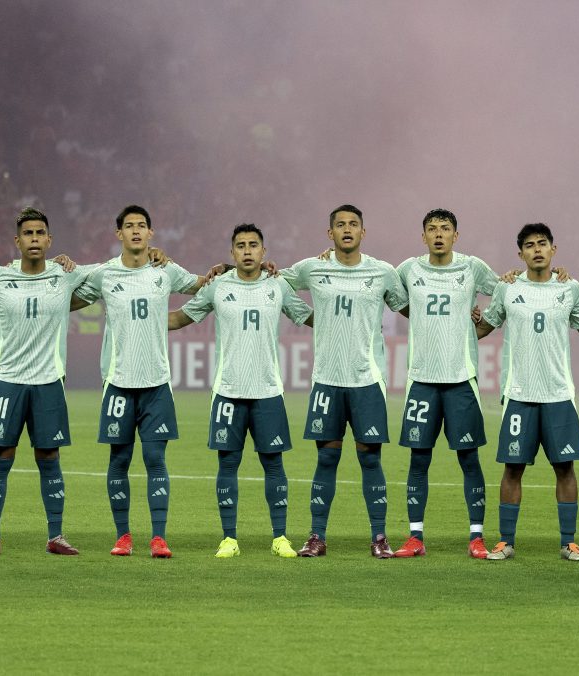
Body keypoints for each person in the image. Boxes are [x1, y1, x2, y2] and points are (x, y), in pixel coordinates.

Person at [73, 204, 216, 558]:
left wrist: (223, 271)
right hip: (118, 382)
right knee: (119, 460)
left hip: (156, 383)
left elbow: (201, 283)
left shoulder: (164, 270)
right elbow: (68, 294)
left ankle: (158, 537)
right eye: (129, 226)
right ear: (118, 234)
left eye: (142, 226)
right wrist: (59, 271)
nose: (136, 231)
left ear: (151, 233)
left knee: (155, 459)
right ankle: (123, 536)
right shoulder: (104, 274)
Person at [169, 223, 312, 558]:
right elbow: (180, 318)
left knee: (274, 464)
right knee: (227, 464)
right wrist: (138, 320)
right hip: (228, 391)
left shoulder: (277, 285)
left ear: (264, 252)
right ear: (232, 253)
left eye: (253, 245)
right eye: (241, 246)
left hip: (268, 390)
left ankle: (280, 538)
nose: (247, 251)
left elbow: (307, 317)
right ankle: (229, 538)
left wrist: (348, 321)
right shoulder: (218, 286)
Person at [280, 205, 409, 558]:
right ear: (330, 233)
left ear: (363, 232)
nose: (347, 229)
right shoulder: (313, 267)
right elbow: (273, 280)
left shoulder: (382, 272)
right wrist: (307, 316)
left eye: (353, 224)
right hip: (326, 380)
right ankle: (316, 536)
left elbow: (409, 307)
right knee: (326, 459)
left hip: (367, 380)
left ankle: (379, 538)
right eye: (340, 224)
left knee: (370, 460)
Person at [0, 207, 102, 556]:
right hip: (7, 380)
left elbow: (112, 270)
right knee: (1, 455)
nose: (34, 239)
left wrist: (151, 257)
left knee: (49, 455)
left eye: (39, 233)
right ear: (17, 241)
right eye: (27, 234)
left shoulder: (64, 275)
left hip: (48, 380)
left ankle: (56, 536)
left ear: (49, 240)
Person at [476, 223, 579, 561]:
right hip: (519, 393)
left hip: (559, 394)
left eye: (542, 243)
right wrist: (454, 329)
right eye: (530, 245)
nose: (536, 249)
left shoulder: (570, 288)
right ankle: (506, 541)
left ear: (553, 250)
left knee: (565, 468)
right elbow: (484, 326)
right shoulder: (507, 289)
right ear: (520, 254)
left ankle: (569, 542)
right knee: (512, 468)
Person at [390, 209, 498, 558]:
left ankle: (477, 538)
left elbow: (507, 293)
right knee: (419, 460)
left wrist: (479, 324)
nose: (438, 234)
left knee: (469, 459)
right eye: (432, 229)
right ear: (423, 237)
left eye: (445, 228)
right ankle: (415, 537)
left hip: (460, 380)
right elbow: (387, 292)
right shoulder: (408, 269)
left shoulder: (472, 268)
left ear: (456, 235)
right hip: (421, 379)